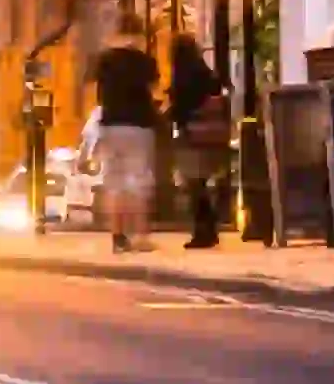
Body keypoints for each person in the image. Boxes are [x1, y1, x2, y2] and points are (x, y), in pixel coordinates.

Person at [84, 32, 167, 252]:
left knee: (115, 183)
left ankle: (118, 237)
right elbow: (155, 86)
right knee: (139, 180)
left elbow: (91, 84)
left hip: (111, 124)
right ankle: (140, 235)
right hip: (139, 125)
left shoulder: (105, 59)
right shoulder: (144, 60)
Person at [170, 34, 235, 252]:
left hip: (193, 135)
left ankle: (203, 232)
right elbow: (221, 91)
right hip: (211, 136)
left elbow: (181, 107)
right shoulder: (206, 73)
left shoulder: (182, 76)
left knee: (194, 185)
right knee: (205, 184)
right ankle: (210, 229)